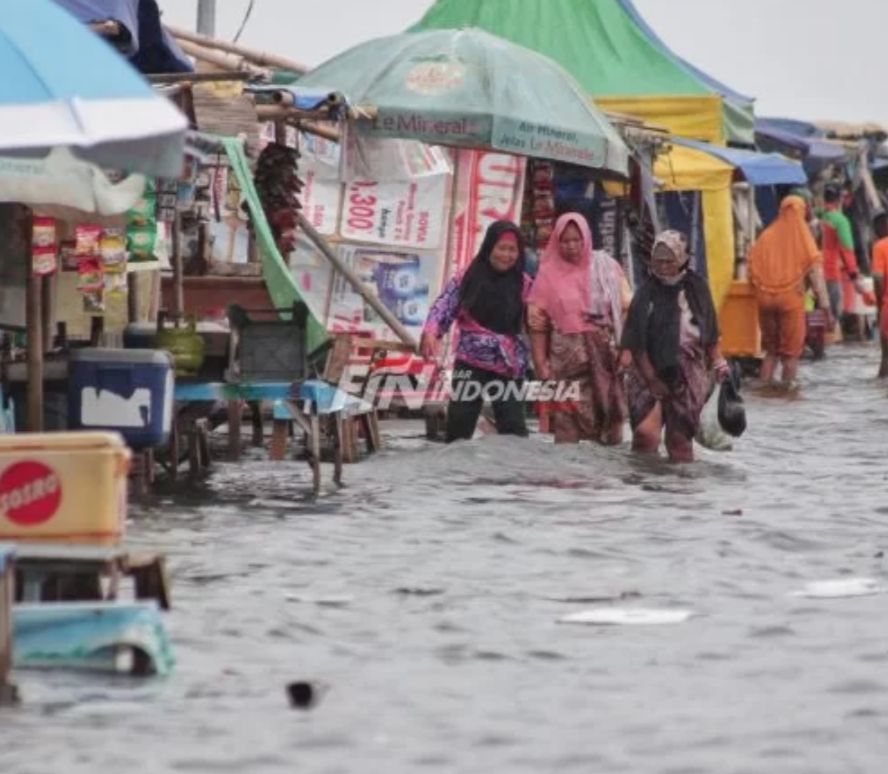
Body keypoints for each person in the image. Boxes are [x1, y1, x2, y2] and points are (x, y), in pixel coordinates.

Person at [621, 231, 730, 463]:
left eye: (669, 260)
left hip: (688, 375)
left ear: (682, 260)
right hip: (648, 372)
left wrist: (719, 363)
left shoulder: (698, 288)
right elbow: (635, 342)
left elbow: (710, 332)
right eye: (658, 261)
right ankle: (643, 486)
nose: (663, 266)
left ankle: (679, 492)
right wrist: (651, 379)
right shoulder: (646, 293)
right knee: (645, 435)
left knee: (679, 442)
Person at [420, 220, 531, 442]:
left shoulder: (525, 284)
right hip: (470, 361)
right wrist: (432, 332)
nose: (506, 255)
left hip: (508, 364)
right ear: (489, 247)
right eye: (501, 248)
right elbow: (444, 305)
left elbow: (540, 320)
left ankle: (512, 476)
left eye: (512, 250)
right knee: (459, 427)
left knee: (514, 429)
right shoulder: (467, 277)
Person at [527, 213, 632, 445]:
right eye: (565, 241)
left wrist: (625, 349)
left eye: (577, 240)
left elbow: (627, 308)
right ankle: (567, 479)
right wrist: (540, 364)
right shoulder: (548, 273)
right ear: (557, 241)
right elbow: (537, 322)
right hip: (564, 364)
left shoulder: (606, 267)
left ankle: (605, 480)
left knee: (610, 421)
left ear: (586, 238)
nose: (572, 246)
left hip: (606, 360)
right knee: (566, 426)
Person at [748, 195, 832, 385]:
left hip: (764, 299)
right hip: (790, 299)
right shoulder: (804, 238)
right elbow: (816, 276)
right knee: (790, 354)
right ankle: (788, 395)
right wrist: (826, 308)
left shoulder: (766, 236)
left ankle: (765, 388)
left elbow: (751, 267)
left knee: (771, 351)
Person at [820, 184, 860, 325]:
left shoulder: (818, 216)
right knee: (832, 316)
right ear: (839, 200)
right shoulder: (840, 221)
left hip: (814, 270)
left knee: (817, 314)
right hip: (831, 272)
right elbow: (847, 250)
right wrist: (854, 275)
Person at [870, 213, 888, 377]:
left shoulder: (880, 246)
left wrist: (880, 305)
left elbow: (878, 280)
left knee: (886, 358)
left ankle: (879, 395)